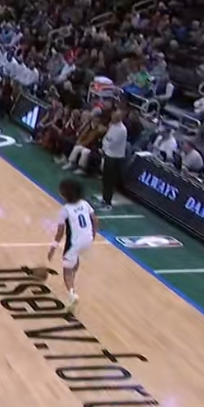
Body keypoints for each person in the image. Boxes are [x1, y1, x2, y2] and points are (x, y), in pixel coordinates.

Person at [48, 178, 98, 312]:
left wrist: (53, 246)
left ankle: (72, 294)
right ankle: (73, 276)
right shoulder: (85, 204)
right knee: (75, 260)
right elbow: (95, 219)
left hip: (74, 243)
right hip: (88, 239)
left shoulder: (65, 210)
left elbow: (60, 232)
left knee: (67, 271)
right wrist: (93, 234)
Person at [99, 110, 128, 210]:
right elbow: (106, 138)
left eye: (114, 117)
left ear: (119, 118)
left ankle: (108, 203)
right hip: (108, 154)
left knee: (110, 181)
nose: (112, 118)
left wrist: (106, 144)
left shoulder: (122, 130)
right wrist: (104, 147)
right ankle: (104, 198)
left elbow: (112, 142)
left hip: (115, 157)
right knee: (105, 179)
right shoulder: (112, 126)